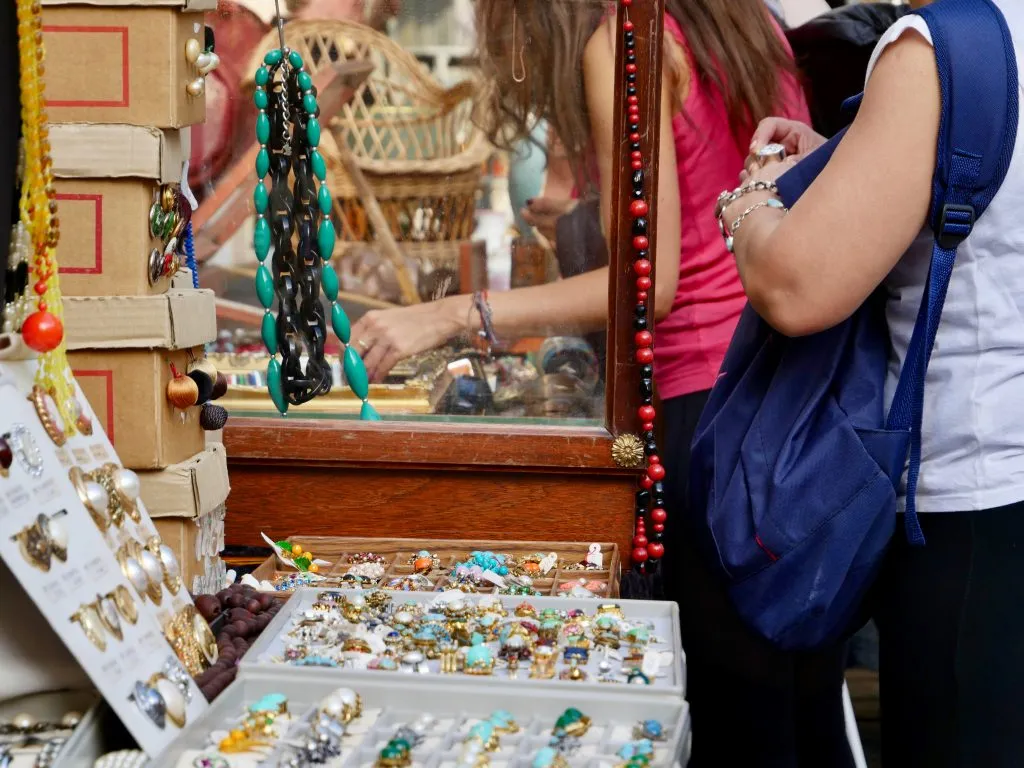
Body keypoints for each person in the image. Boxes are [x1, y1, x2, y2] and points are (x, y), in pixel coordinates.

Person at [352, 6, 850, 764]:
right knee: (792, 712)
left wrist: (453, 314)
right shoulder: (743, 21)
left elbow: (648, 285)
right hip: (790, 403)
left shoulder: (625, 40)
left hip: (699, 420)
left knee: (726, 716)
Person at [725, 0, 1024, 764]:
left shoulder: (935, 48)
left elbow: (797, 287)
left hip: (971, 498)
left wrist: (753, 199)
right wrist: (848, 162)